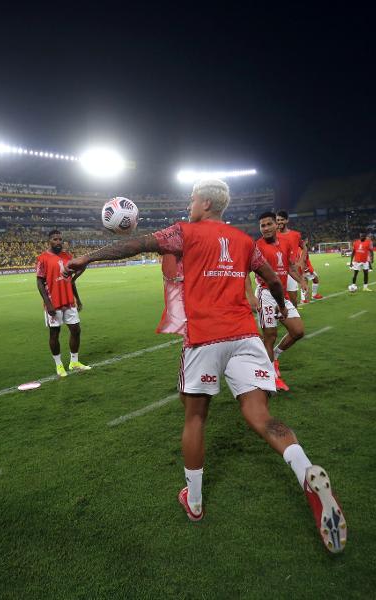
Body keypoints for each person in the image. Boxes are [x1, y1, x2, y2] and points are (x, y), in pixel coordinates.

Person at [65, 179, 346, 554]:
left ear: (207, 202)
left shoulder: (185, 232)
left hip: (205, 338)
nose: (189, 203)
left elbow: (137, 243)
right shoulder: (246, 242)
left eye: (193, 198)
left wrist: (87, 257)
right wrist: (279, 306)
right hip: (246, 336)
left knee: (195, 418)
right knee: (262, 417)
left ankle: (194, 501)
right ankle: (305, 469)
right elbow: (273, 279)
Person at [246, 212, 308, 392]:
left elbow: (288, 266)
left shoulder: (286, 243)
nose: (265, 228)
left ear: (276, 225)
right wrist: (250, 296)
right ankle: (271, 376)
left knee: (298, 331)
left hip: (282, 296)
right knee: (270, 337)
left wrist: (301, 280)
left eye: (268, 224)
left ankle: (276, 357)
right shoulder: (256, 247)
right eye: (262, 226)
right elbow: (244, 273)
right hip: (265, 294)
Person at [36, 230, 91, 377]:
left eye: (60, 239)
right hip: (53, 302)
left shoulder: (67, 257)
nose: (59, 242)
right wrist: (48, 304)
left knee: (76, 330)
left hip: (68, 301)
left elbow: (71, 280)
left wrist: (77, 299)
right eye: (55, 239)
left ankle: (74, 362)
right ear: (49, 241)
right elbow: (40, 282)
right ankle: (59, 365)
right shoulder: (43, 258)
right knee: (55, 333)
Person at [276, 210, 306, 307]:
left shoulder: (295, 235)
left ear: (287, 220)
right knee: (278, 297)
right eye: (277, 220)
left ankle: (294, 316)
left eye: (282, 220)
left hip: (291, 270)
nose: (279, 222)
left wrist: (301, 261)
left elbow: (304, 247)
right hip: (277, 270)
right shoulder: (273, 235)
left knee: (293, 298)